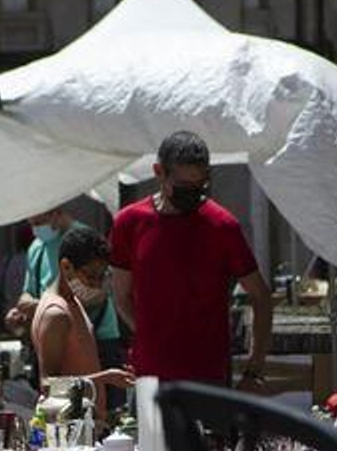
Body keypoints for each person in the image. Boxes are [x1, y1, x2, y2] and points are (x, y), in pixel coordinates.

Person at [109, 131, 274, 389]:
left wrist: (255, 367)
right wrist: (150, 335)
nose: (191, 195)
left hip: (208, 378)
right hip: (150, 377)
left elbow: (261, 296)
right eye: (184, 187)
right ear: (158, 172)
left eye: (199, 187)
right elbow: (121, 295)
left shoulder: (222, 226)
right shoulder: (129, 223)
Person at [31, 227, 135, 415]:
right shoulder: (56, 314)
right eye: (90, 276)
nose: (96, 284)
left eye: (101, 277)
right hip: (69, 430)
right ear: (66, 267)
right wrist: (105, 378)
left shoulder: (73, 302)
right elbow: (48, 386)